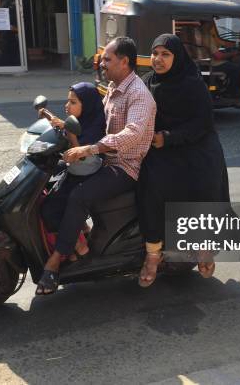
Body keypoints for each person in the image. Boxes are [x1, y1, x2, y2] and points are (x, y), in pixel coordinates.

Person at [36, 36, 156, 295]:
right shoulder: (113, 87)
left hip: (125, 166)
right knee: (60, 185)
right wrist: (64, 126)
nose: (102, 64)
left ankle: (55, 262)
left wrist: (90, 148)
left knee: (79, 196)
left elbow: (132, 133)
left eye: (107, 60)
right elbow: (92, 116)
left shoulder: (138, 94)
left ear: (124, 62)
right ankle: (80, 241)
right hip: (102, 159)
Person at [137, 33, 231, 288]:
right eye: (155, 53)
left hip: (196, 145)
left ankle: (203, 246)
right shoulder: (147, 82)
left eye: (165, 54)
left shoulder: (192, 83)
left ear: (176, 57)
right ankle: (153, 253)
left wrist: (169, 137)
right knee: (151, 183)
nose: (158, 59)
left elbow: (203, 123)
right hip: (162, 147)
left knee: (201, 184)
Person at [38, 82, 106, 260]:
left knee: (50, 210)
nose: (67, 106)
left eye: (73, 102)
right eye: (68, 101)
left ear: (88, 105)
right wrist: (53, 120)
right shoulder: (83, 122)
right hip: (75, 172)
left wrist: (69, 131)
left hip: (85, 176)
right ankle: (84, 230)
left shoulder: (94, 129)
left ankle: (80, 247)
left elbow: (79, 153)